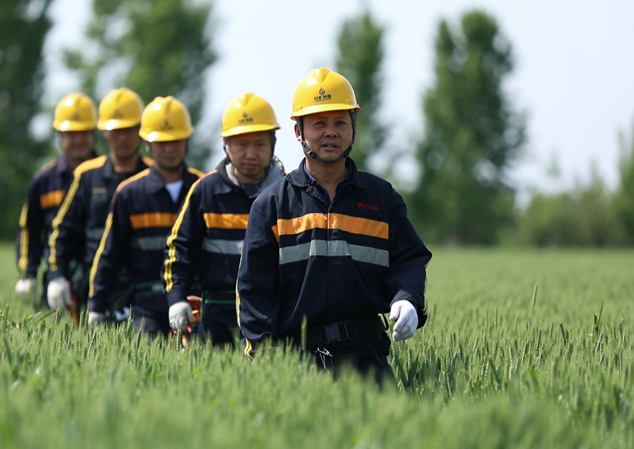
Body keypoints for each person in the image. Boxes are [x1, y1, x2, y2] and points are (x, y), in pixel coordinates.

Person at [236, 68, 432, 381]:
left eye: (340, 122)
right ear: (298, 131)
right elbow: (254, 292)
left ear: (354, 129)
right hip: (296, 363)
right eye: (319, 123)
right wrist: (266, 361)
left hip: (367, 359)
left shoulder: (382, 197)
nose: (331, 132)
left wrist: (408, 299)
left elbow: (409, 259)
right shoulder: (271, 206)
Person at [163, 93, 285, 347]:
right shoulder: (204, 191)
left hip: (274, 313)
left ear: (272, 144)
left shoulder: (289, 191)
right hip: (217, 317)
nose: (251, 153)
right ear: (226, 145)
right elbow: (179, 249)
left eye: (259, 144)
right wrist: (176, 298)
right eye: (242, 144)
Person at [88, 96, 205, 335]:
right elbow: (110, 254)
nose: (169, 148)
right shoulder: (129, 193)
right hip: (145, 306)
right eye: (161, 142)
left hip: (195, 302)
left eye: (176, 140)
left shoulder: (204, 188)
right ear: (147, 144)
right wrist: (96, 305)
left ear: (187, 140)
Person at [46, 88, 153, 322]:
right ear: (104, 132)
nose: (123, 138)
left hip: (144, 291)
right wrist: (56, 275)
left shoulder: (154, 176)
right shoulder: (86, 175)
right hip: (92, 288)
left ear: (141, 130)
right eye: (116, 131)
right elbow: (62, 231)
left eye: (129, 129)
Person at [15, 93, 98, 309]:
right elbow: (29, 229)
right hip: (58, 277)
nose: (78, 140)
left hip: (102, 277)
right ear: (59, 136)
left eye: (84, 133)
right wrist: (28, 273)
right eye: (71, 134)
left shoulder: (109, 176)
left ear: (95, 134)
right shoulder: (43, 181)